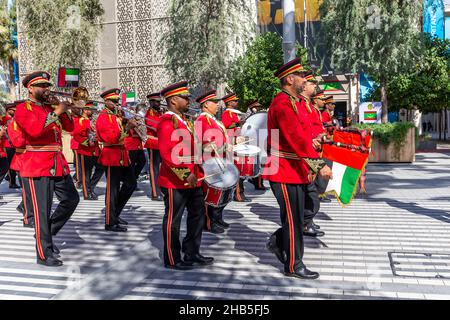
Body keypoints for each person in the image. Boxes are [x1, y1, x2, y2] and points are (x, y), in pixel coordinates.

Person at [263, 58, 333, 279]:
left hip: (295, 170)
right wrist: (317, 164)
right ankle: (294, 265)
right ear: (290, 79)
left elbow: (305, 135)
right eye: (301, 76)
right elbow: (296, 139)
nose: (305, 80)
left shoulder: (296, 103)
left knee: (298, 216)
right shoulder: (283, 104)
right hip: (283, 171)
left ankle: (278, 242)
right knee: (293, 220)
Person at [15, 71, 80, 267]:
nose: (46, 88)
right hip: (36, 164)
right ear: (31, 88)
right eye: (42, 85)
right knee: (42, 211)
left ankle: (46, 233)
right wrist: (57, 112)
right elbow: (34, 131)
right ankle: (44, 254)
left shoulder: (48, 107)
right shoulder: (23, 108)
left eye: (47, 85)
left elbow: (70, 129)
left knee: (71, 199)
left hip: (56, 163)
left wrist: (66, 110)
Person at [158, 81, 214, 270]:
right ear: (173, 100)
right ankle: (172, 258)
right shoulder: (167, 121)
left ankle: (192, 251)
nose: (188, 100)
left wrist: (204, 148)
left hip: (193, 177)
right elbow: (168, 153)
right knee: (173, 220)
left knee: (197, 215)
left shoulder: (182, 120)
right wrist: (185, 174)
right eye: (184, 97)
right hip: (176, 180)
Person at [95, 88, 137, 232]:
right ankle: (110, 222)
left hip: (122, 155)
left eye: (117, 101)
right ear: (106, 102)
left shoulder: (116, 116)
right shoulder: (103, 117)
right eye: (113, 101)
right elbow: (111, 139)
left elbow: (125, 133)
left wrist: (130, 124)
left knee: (131, 184)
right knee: (112, 190)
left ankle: (115, 213)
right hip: (111, 155)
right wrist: (127, 128)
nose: (116, 103)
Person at [195, 90, 232, 234]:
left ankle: (217, 218)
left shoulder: (213, 120)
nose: (218, 105)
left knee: (221, 191)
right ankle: (209, 222)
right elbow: (198, 143)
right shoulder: (201, 120)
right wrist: (206, 147)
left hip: (220, 159)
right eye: (214, 102)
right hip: (209, 162)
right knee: (210, 193)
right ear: (205, 105)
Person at [300, 73, 326, 238]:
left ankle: (308, 221)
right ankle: (305, 222)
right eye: (312, 83)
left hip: (312, 150)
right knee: (309, 191)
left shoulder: (307, 104)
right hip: (305, 154)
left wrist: (318, 137)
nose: (314, 86)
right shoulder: (300, 104)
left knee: (312, 190)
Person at [72, 101, 104, 200]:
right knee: (87, 173)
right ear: (85, 110)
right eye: (90, 110)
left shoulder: (93, 121)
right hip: (85, 150)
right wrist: (86, 142)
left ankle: (91, 186)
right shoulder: (80, 120)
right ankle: (87, 193)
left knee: (101, 168)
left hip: (95, 149)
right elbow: (76, 135)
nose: (92, 112)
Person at [221, 93, 249, 202]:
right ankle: (238, 194)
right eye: (235, 101)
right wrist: (238, 123)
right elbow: (226, 125)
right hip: (232, 143)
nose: (237, 102)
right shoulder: (227, 113)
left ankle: (239, 193)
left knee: (239, 168)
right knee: (236, 169)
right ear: (229, 103)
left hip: (237, 141)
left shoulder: (233, 113)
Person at [144, 93, 163, 201]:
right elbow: (156, 127)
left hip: (161, 143)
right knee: (154, 169)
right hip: (153, 143)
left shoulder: (160, 113)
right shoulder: (149, 114)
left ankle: (161, 189)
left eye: (159, 101)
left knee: (161, 169)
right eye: (157, 101)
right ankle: (155, 193)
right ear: (151, 103)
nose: (159, 103)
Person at [3, 103, 20, 189]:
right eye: (13, 110)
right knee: (10, 164)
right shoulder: (3, 119)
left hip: (15, 144)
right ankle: (12, 182)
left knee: (14, 163)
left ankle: (9, 178)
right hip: (7, 145)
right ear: (8, 110)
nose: (15, 112)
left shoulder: (15, 120)